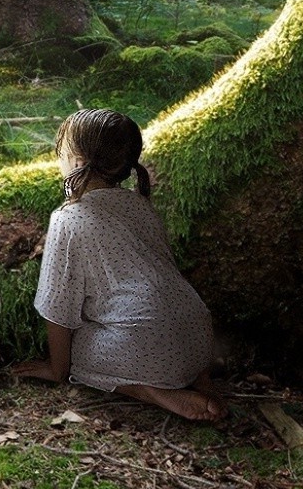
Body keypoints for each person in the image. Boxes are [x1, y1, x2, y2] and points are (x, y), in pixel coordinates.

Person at [13, 108, 225, 421]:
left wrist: (57, 369)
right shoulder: (141, 206)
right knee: (149, 329)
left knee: (80, 350)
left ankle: (155, 391)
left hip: (143, 344)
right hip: (198, 331)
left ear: (78, 162)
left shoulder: (68, 219)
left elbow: (57, 307)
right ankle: (198, 378)